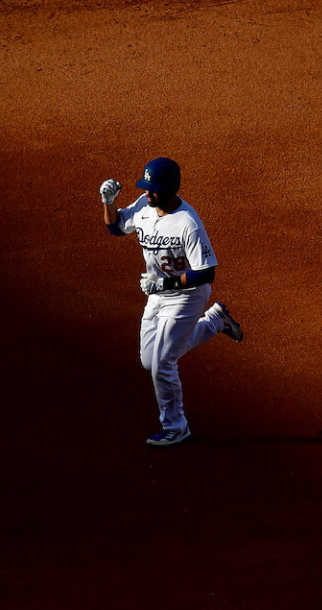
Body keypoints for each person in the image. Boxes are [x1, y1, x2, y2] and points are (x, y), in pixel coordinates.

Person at [99, 157, 243, 447]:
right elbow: (115, 228)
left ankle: (176, 427)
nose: (147, 193)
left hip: (187, 296)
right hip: (157, 293)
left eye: (153, 189)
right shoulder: (143, 206)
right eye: (146, 187)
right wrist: (108, 201)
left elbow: (206, 272)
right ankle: (215, 321)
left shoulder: (188, 223)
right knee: (149, 360)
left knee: (163, 362)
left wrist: (166, 283)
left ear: (169, 189)